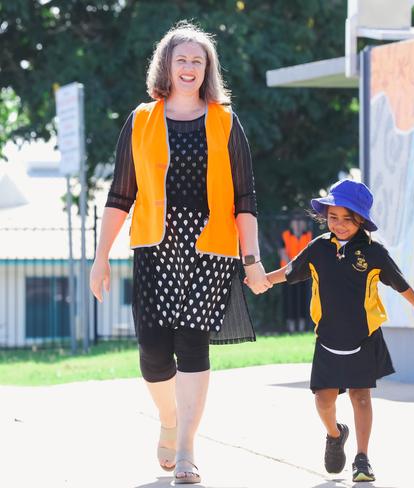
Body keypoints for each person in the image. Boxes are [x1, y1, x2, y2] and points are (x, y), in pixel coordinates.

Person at [89, 21, 271, 485]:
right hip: (155, 245)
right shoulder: (142, 119)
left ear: (207, 69)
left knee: (192, 345)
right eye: (182, 59)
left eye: (198, 61)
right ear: (166, 65)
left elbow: (244, 198)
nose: (190, 68)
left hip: (211, 247)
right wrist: (100, 256)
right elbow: (119, 195)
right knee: (152, 351)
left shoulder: (226, 122)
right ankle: (169, 418)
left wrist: (251, 260)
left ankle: (188, 446)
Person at [263, 179, 414, 482]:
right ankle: (335, 434)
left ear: (362, 221)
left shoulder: (374, 253)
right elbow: (289, 272)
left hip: (364, 336)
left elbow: (400, 283)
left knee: (361, 397)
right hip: (327, 337)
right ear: (325, 216)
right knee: (323, 400)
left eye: (348, 219)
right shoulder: (318, 249)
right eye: (333, 217)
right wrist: (261, 280)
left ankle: (362, 458)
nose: (339, 225)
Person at [279, 217, 312, 332]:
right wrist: (292, 267)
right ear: (291, 223)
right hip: (287, 272)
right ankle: (291, 327)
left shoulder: (309, 235)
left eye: (301, 221)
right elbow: (282, 252)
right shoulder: (285, 235)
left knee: (303, 299)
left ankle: (302, 326)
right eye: (296, 221)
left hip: (304, 273)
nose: (298, 224)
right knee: (290, 299)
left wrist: (300, 268)